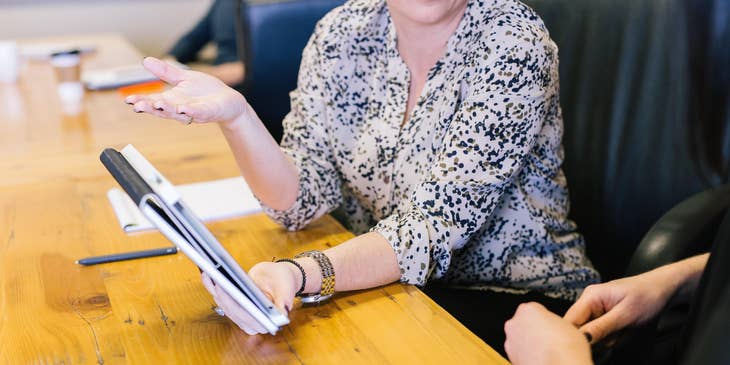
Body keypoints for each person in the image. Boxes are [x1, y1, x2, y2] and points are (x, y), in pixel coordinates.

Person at [124, 0, 600, 347]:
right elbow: (299, 200)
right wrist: (237, 117)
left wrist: (302, 274)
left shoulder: (512, 42)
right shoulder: (342, 32)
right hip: (397, 290)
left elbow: (430, 227)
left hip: (519, 307)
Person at [166, 0, 245, 87]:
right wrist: (171, 58)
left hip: (245, 84)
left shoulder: (260, 5)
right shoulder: (223, 2)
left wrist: (246, 71)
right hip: (217, 78)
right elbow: (193, 38)